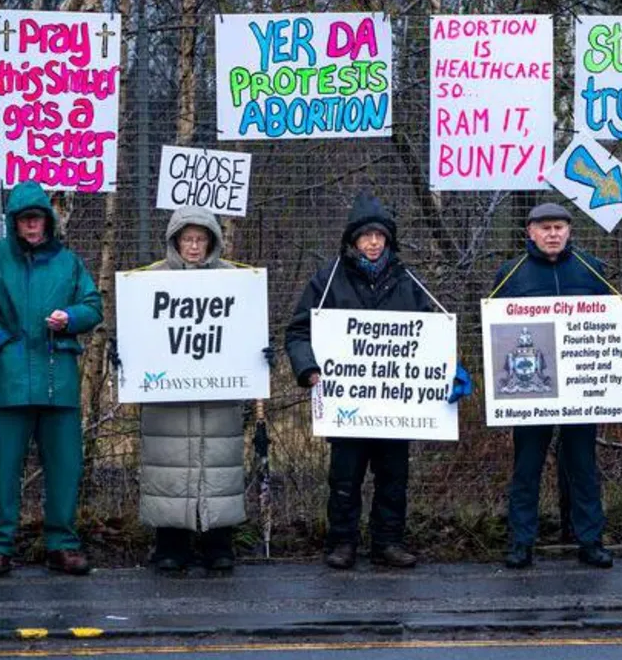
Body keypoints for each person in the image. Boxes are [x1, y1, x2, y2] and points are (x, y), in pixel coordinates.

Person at [0, 181, 104, 578]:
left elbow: (93, 305)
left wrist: (69, 318)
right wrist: (1, 340)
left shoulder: (68, 263)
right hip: (10, 381)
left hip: (59, 381)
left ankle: (62, 544)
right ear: (13, 223)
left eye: (37, 218)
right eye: (24, 220)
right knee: (3, 468)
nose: (32, 226)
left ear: (48, 221)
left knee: (66, 467)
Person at [285, 192, 438, 570]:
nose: (372, 242)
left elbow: (433, 333)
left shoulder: (408, 281)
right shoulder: (328, 279)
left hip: (396, 404)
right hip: (346, 403)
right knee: (344, 477)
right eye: (365, 236)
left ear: (389, 239)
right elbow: (298, 332)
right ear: (353, 240)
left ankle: (388, 541)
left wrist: (449, 369)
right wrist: (308, 368)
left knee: (393, 477)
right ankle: (342, 543)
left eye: (379, 235)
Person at [138, 206, 274, 573]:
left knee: (220, 467)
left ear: (212, 241)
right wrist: (127, 354)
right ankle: (170, 544)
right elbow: (138, 332)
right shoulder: (151, 279)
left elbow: (248, 328)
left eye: (200, 239)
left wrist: (260, 350)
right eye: (187, 239)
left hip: (219, 395)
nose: (194, 247)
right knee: (168, 468)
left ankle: (219, 543)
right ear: (175, 240)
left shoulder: (234, 279)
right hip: (167, 399)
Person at [491, 203, 614, 570]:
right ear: (529, 232)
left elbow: (613, 320)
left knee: (583, 466)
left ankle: (590, 540)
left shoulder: (592, 269)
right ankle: (520, 542)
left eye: (559, 227)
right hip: (530, 391)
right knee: (526, 468)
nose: (553, 234)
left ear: (569, 231)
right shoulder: (510, 273)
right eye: (545, 227)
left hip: (581, 389)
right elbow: (492, 329)